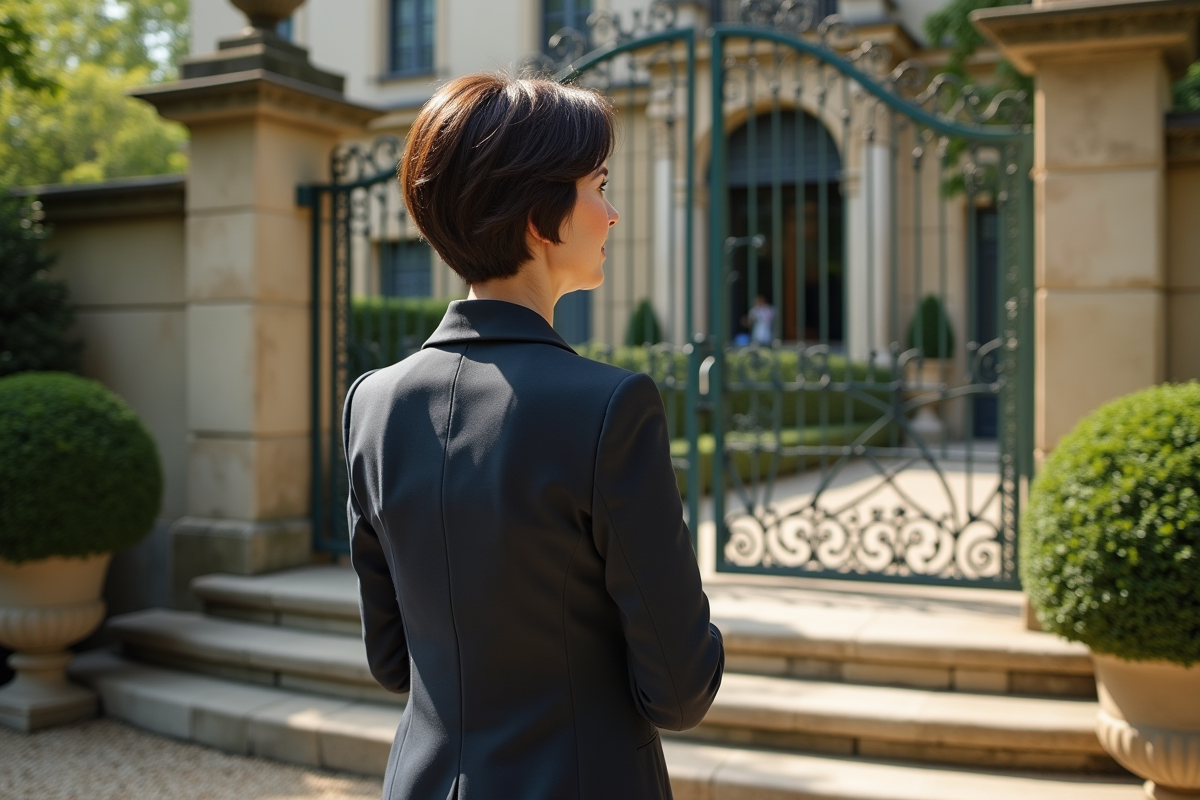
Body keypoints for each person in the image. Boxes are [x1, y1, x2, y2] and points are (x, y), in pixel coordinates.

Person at [342, 73, 725, 800]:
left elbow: (391, 662)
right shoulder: (610, 406)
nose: (612, 213)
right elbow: (681, 691)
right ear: (538, 216)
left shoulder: (373, 403)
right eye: (598, 186)